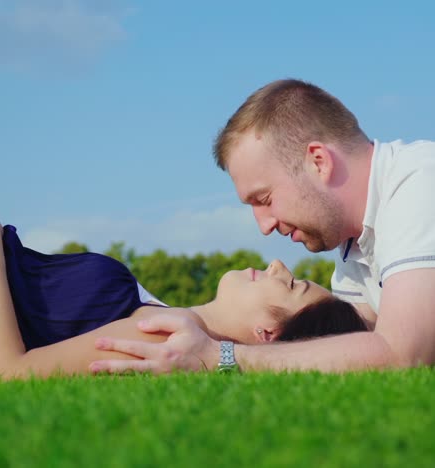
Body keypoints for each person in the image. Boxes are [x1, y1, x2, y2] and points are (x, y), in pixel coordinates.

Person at [91, 78, 435, 374]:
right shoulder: (354, 248)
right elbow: (352, 348)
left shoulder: (419, 180)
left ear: (318, 161)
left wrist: (220, 356)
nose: (265, 226)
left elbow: (401, 352)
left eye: (265, 199)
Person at [0, 205, 366, 381]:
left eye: (292, 286)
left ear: (267, 333)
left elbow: (1, 374)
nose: (279, 266)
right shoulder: (161, 315)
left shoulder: (166, 334)